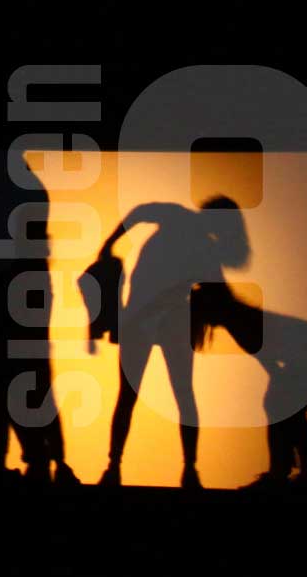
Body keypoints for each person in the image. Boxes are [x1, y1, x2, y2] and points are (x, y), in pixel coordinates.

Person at [93, 196, 250, 489]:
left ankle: (177, 469)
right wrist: (109, 243)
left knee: (160, 394)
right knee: (156, 394)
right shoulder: (184, 224)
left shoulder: (201, 244)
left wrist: (109, 244)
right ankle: (129, 467)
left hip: (163, 317)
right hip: (148, 316)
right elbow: (139, 211)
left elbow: (221, 294)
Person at [0, 149, 79, 485]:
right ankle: (37, 457)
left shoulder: (16, 193)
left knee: (6, 373)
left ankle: (35, 456)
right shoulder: (24, 188)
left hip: (14, 288)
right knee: (19, 374)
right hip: (19, 287)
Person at [188, 282, 307, 494]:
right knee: (284, 407)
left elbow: (273, 367)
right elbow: (274, 368)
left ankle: (289, 475)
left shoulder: (241, 323)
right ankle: (293, 473)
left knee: (284, 407)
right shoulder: (239, 319)